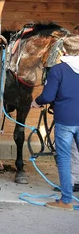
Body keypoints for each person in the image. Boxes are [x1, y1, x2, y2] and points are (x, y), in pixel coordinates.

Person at [31, 49, 79, 210]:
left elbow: (48, 96)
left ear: (64, 51)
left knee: (64, 159)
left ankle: (66, 201)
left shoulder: (58, 70)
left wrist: (37, 101)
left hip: (65, 120)